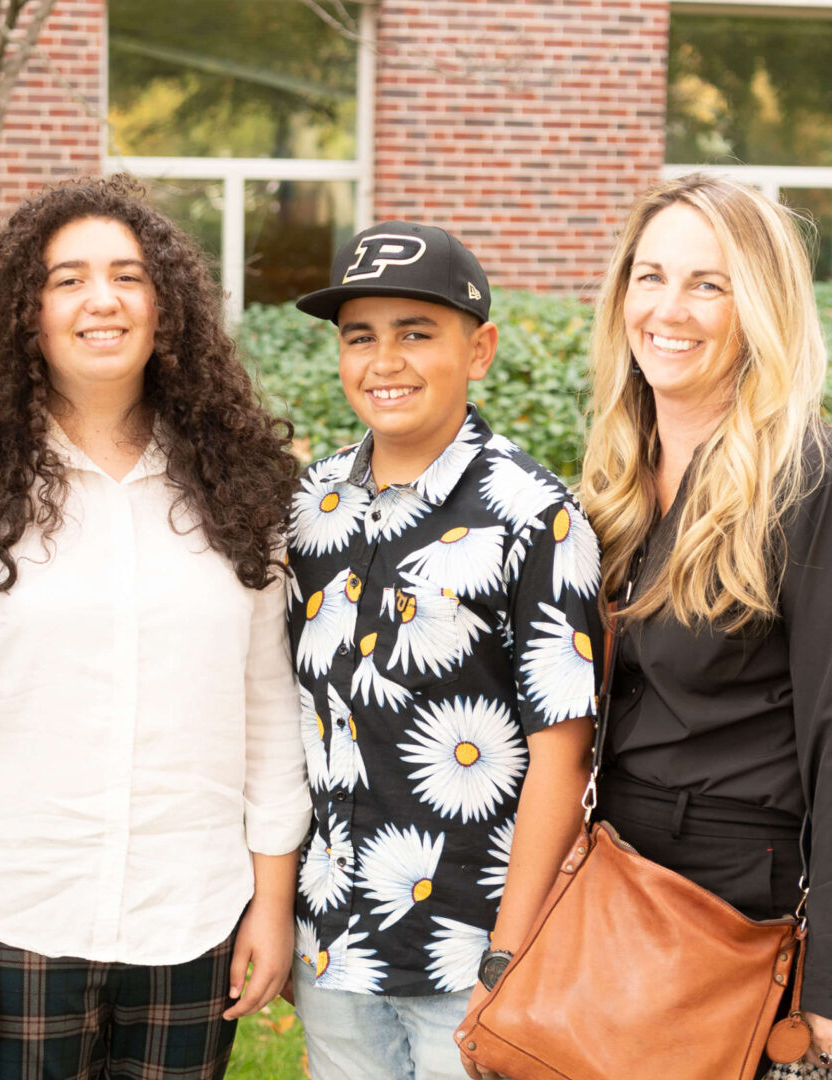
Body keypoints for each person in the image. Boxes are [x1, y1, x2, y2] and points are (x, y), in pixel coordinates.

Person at [0, 174, 311, 1080]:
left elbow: (269, 706)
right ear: (25, 313)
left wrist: (271, 902)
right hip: (17, 915)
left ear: (168, 308)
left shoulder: (243, 490)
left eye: (128, 275)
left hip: (193, 913)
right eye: (67, 279)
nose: (100, 300)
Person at [577, 173, 832, 1072]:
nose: (667, 308)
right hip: (606, 870)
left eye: (706, 283)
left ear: (757, 303)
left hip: (732, 899)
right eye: (649, 277)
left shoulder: (820, 488)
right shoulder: (614, 477)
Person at [281, 222, 601, 1080]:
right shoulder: (311, 508)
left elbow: (562, 753)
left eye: (416, 333)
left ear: (480, 349)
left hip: (469, 953)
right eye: (361, 338)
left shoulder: (536, 516)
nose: (384, 361)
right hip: (334, 944)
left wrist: (509, 951)